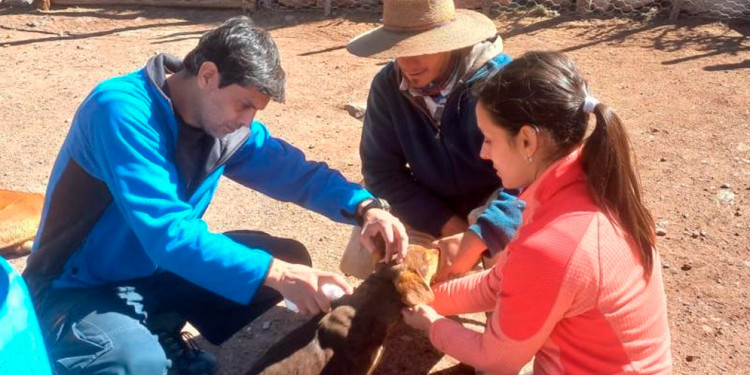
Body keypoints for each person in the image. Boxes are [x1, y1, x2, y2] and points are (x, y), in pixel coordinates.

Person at [22, 16, 407, 375]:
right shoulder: (121, 110)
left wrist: (365, 207)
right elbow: (169, 236)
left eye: (254, 111)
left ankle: (158, 325)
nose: (247, 121)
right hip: (76, 285)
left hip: (153, 273)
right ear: (208, 75)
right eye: (244, 105)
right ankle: (94, 345)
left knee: (288, 256)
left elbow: (295, 173)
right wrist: (281, 275)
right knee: (134, 362)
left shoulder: (223, 128)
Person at [402, 51, 673, 374]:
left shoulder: (553, 245)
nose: (483, 153)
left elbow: (497, 359)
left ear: (528, 141)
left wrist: (432, 325)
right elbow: (497, 284)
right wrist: (424, 297)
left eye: (489, 139)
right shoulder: (585, 191)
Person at [340, 0, 523, 279]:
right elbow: (380, 171)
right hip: (429, 200)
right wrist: (448, 225)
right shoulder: (387, 86)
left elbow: (534, 173)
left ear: (450, 41)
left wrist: (481, 233)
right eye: (399, 49)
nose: (408, 64)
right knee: (380, 236)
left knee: (510, 275)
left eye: (421, 48)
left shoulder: (502, 82)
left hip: (498, 199)